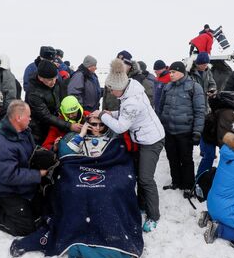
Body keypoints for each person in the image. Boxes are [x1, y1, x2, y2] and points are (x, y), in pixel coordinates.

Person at [92, 58, 165, 232]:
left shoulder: (131, 100)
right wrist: (113, 112)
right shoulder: (130, 86)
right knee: (139, 175)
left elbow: (121, 125)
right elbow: (127, 113)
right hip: (142, 137)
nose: (109, 91)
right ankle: (141, 205)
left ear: (118, 89)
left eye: (110, 89)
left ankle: (154, 215)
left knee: (146, 178)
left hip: (151, 140)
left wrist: (103, 115)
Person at [0, 100, 46, 236]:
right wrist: (37, 174)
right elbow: (8, 176)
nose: (30, 118)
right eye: (28, 115)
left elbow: (30, 152)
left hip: (23, 185)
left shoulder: (23, 131)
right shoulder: (2, 145)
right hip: (8, 190)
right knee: (26, 228)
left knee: (43, 213)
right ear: (18, 117)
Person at [158, 61, 205, 198]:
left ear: (181, 72)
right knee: (172, 157)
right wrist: (161, 126)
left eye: (173, 72)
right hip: (169, 131)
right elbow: (161, 108)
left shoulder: (194, 87)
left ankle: (188, 185)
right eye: (170, 72)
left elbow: (200, 111)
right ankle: (176, 182)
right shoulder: (167, 87)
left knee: (186, 159)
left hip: (185, 131)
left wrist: (197, 132)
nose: (170, 75)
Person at [26, 60, 79, 144]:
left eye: (55, 78)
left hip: (56, 123)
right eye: (50, 79)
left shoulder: (56, 83)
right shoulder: (33, 92)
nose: (54, 81)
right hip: (39, 129)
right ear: (40, 78)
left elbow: (61, 101)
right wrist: (69, 126)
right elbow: (45, 116)